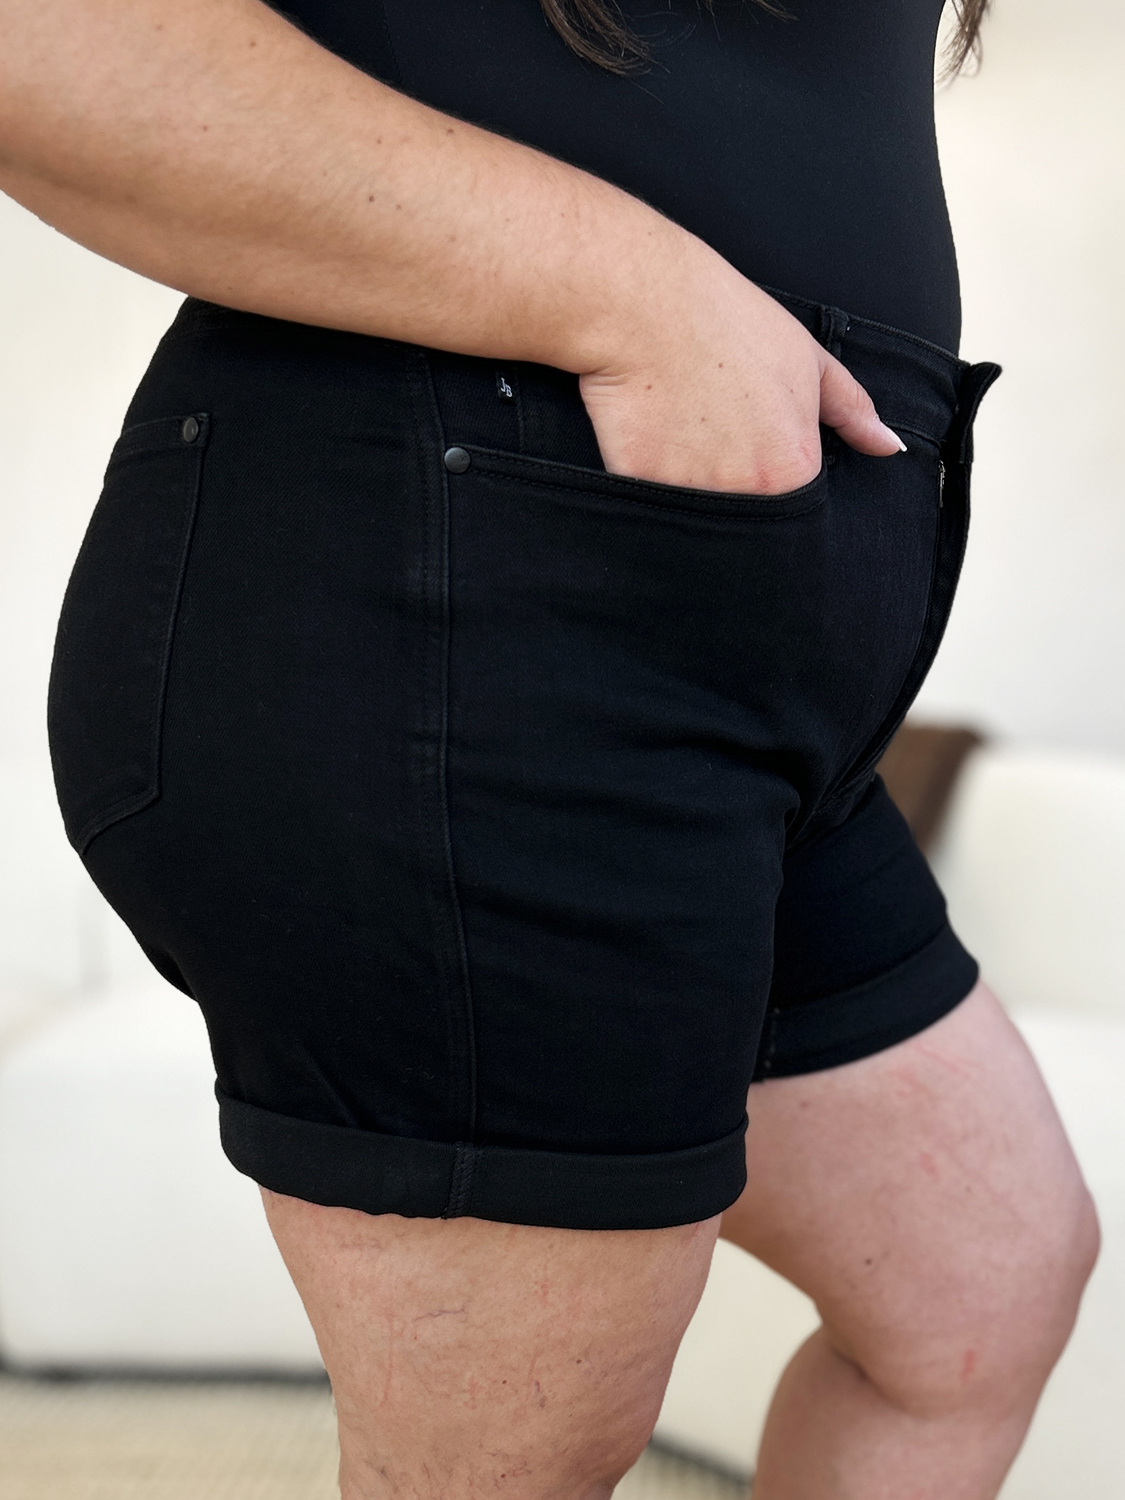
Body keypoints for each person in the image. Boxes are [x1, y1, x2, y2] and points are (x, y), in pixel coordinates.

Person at [1, 0, 1100, 1494]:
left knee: (975, 1292)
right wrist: (634, 299)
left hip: (744, 701)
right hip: (468, 618)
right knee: (516, 1463)